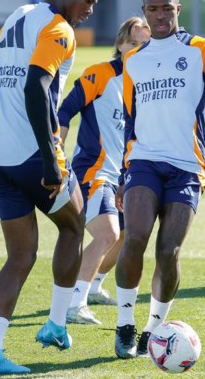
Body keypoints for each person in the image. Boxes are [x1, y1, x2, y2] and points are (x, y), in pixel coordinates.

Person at [0, 0, 108, 376]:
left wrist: (9, 105)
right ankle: (54, 324)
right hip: (33, 156)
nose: (89, 9)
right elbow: (36, 86)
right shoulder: (59, 28)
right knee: (74, 224)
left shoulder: (20, 14)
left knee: (20, 257)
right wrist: (50, 161)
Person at [113, 0, 205, 359]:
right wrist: (125, 175)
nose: (160, 15)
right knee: (135, 237)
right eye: (153, 9)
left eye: (167, 8)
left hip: (187, 168)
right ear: (144, 11)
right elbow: (130, 121)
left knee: (168, 251)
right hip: (143, 162)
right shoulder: (133, 62)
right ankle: (125, 325)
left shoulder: (201, 50)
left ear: (178, 8)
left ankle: (153, 329)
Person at [57, 17, 151, 325]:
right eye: (133, 43)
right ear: (120, 45)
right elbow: (65, 111)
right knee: (108, 233)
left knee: (127, 235)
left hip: (124, 178)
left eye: (144, 44)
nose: (138, 49)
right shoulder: (100, 74)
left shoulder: (146, 86)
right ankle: (74, 304)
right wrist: (56, 158)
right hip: (93, 171)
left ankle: (94, 286)